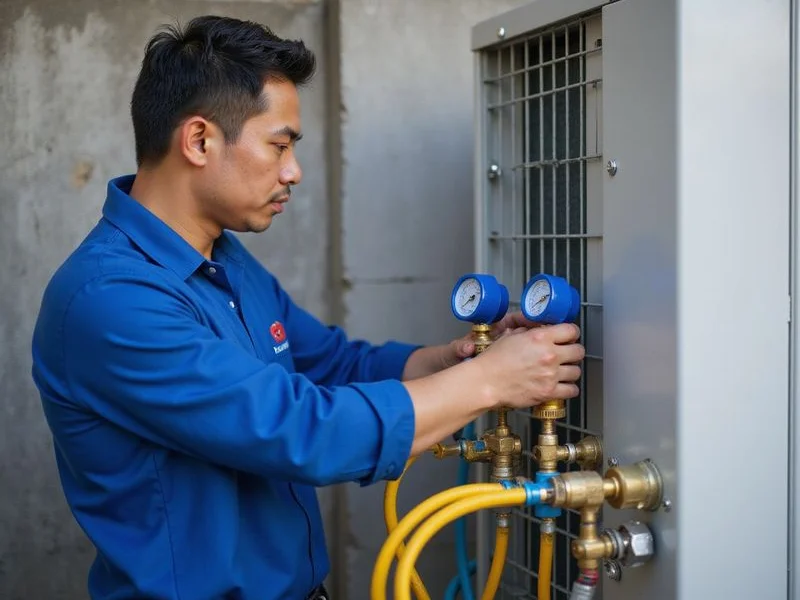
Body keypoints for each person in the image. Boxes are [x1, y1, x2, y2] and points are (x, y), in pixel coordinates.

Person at [30, 15, 585, 600]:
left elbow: (329, 363)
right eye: (279, 145)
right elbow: (300, 431)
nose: (292, 171)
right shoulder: (110, 301)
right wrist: (490, 383)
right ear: (198, 141)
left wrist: (461, 358)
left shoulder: (225, 258)